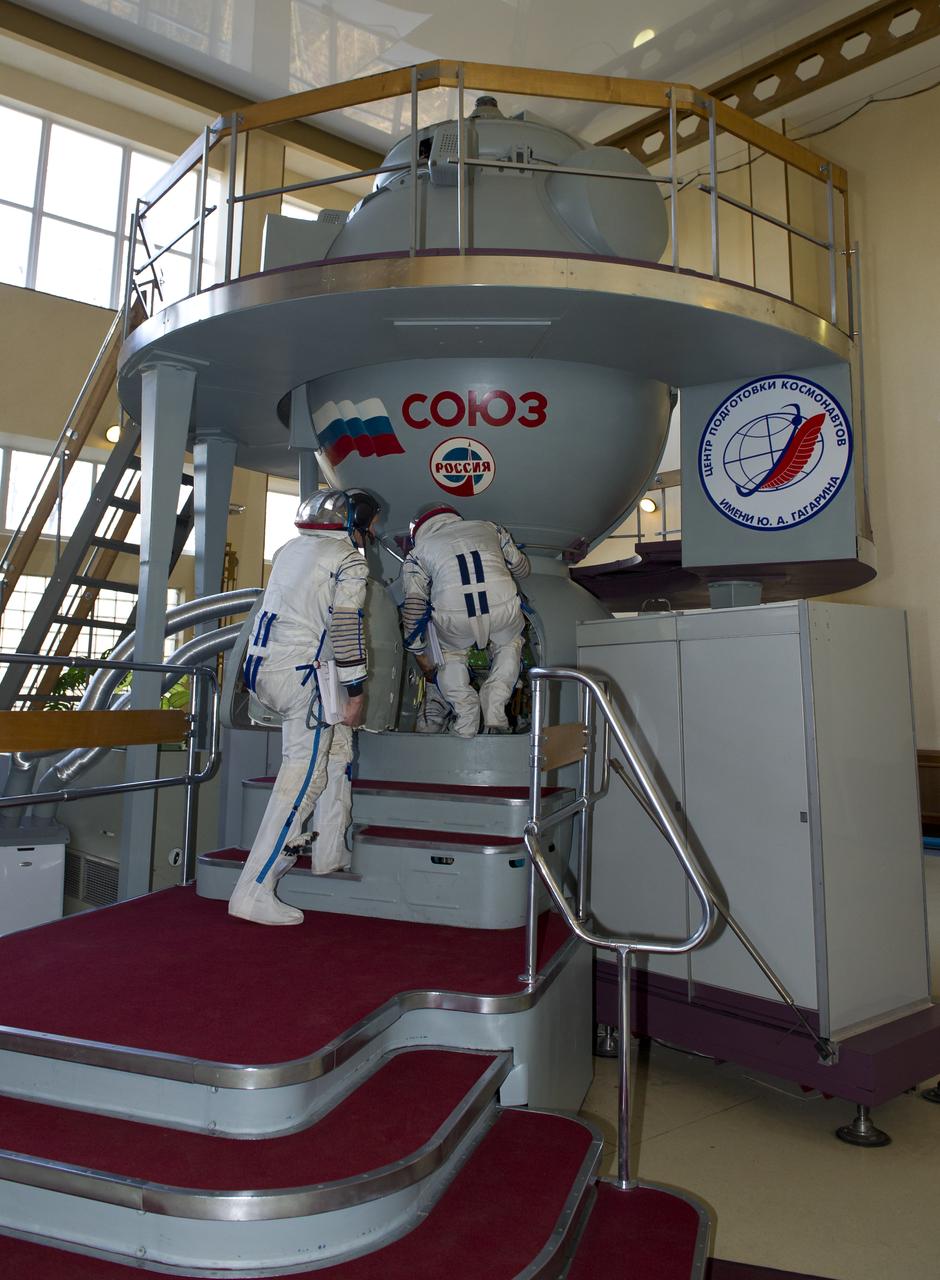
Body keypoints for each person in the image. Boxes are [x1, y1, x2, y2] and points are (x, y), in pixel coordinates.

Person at [228, 488, 380, 925]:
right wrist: (356, 691)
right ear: (355, 523)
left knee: (336, 751)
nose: (370, 534)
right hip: (302, 678)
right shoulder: (348, 560)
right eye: (368, 525)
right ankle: (255, 888)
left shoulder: (291, 548)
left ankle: (329, 851)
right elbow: (347, 627)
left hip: (264, 670)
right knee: (301, 779)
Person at [401, 504, 529, 737]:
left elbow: (414, 608)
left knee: (450, 657)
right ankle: (495, 707)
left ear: (418, 531)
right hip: (502, 605)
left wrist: (417, 650)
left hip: (453, 614)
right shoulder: (490, 528)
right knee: (510, 644)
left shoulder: (418, 553)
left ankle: (466, 713)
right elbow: (521, 569)